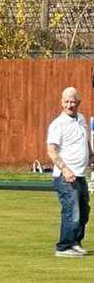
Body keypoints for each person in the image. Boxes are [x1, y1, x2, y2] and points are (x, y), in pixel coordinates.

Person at [46, 86, 91, 257]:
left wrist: (91, 154)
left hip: (80, 174)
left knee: (84, 211)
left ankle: (75, 242)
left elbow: (83, 139)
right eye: (66, 101)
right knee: (71, 211)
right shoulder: (58, 124)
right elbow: (51, 150)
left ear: (78, 102)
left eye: (72, 101)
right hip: (66, 176)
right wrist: (65, 170)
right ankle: (63, 247)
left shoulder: (81, 119)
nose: (69, 105)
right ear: (61, 102)